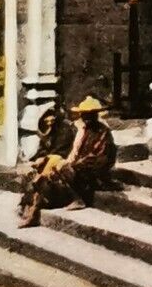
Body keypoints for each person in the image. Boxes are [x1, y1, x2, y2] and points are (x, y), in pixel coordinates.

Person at [18, 95, 118, 228]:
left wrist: (72, 165)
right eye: (83, 115)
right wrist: (67, 162)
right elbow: (73, 152)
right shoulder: (84, 130)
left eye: (88, 115)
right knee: (48, 176)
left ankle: (77, 199)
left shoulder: (102, 132)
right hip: (78, 170)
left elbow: (100, 158)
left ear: (95, 115)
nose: (85, 118)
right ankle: (32, 209)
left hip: (93, 173)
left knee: (61, 169)